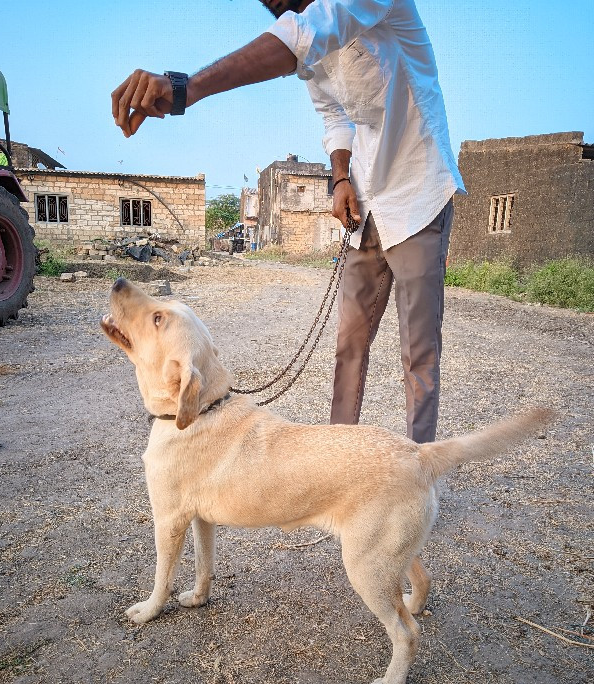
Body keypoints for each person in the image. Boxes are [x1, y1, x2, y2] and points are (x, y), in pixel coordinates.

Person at [112, 0, 465, 443]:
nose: (280, 9)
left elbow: (309, 33)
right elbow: (335, 115)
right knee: (349, 345)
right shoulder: (305, 35)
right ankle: (336, 461)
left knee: (418, 353)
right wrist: (339, 179)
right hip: (366, 199)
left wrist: (188, 88)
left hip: (417, 192)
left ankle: (421, 472)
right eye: (272, 6)